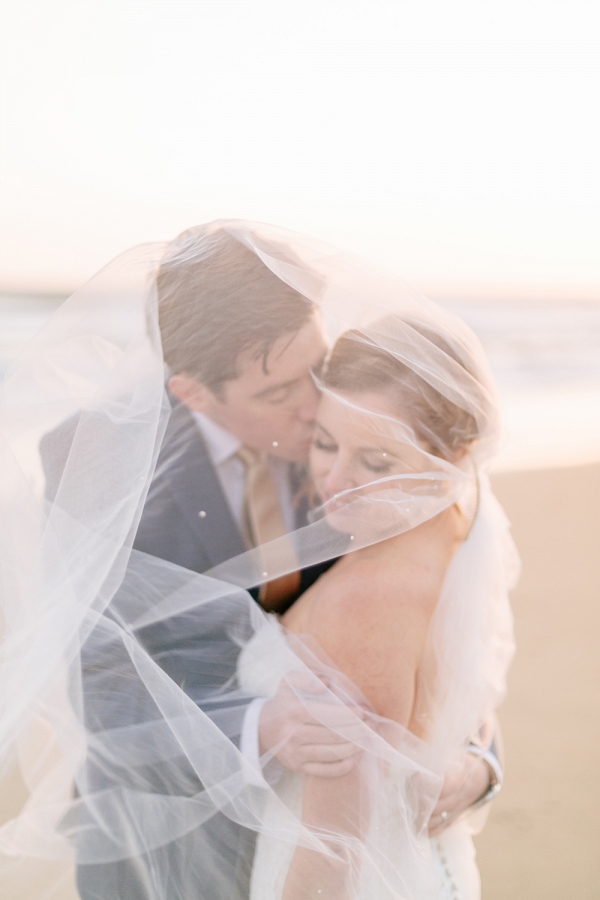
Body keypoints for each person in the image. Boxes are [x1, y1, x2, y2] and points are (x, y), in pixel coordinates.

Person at [0, 222, 515, 900]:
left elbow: (432, 628)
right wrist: (260, 728)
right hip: (164, 850)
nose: (313, 408)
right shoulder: (97, 462)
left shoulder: (354, 439)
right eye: (277, 394)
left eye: (316, 365)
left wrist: (478, 760)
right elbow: (104, 700)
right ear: (193, 393)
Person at [242, 321, 516, 898]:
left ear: (454, 457)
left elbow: (331, 857)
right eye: (324, 442)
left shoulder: (365, 598)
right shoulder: (457, 536)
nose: (335, 480)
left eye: (377, 460)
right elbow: (461, 698)